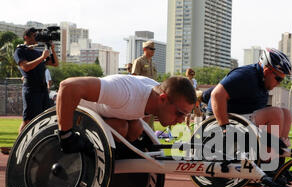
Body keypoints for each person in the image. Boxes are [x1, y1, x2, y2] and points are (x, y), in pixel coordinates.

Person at [55, 74, 197, 154]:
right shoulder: (124, 92)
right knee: (120, 128)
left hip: (105, 115)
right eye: (179, 113)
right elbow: (68, 86)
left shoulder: (155, 94)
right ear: (163, 99)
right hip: (73, 111)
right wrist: (66, 136)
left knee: (136, 129)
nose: (181, 120)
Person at [207, 48, 292, 154]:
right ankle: (268, 165)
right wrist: (225, 128)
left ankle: (278, 166)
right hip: (218, 122)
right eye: (278, 79)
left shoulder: (263, 82)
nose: (279, 83)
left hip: (240, 120)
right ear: (266, 72)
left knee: (286, 113)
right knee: (275, 114)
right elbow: (216, 95)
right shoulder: (245, 75)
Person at [14, 27, 59, 132]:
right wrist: (42, 58)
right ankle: (19, 147)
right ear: (26, 37)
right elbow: (25, 67)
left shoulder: (37, 52)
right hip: (31, 88)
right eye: (34, 35)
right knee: (28, 120)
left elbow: (55, 63)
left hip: (42, 89)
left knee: (45, 117)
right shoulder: (20, 50)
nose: (37, 37)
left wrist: (52, 48)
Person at [132, 40, 158, 130]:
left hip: (152, 93)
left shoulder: (152, 63)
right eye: (151, 49)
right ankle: (141, 132)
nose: (153, 51)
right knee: (142, 115)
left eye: (154, 49)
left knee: (151, 115)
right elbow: (134, 77)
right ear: (144, 49)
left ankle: (150, 133)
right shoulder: (139, 61)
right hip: (142, 93)